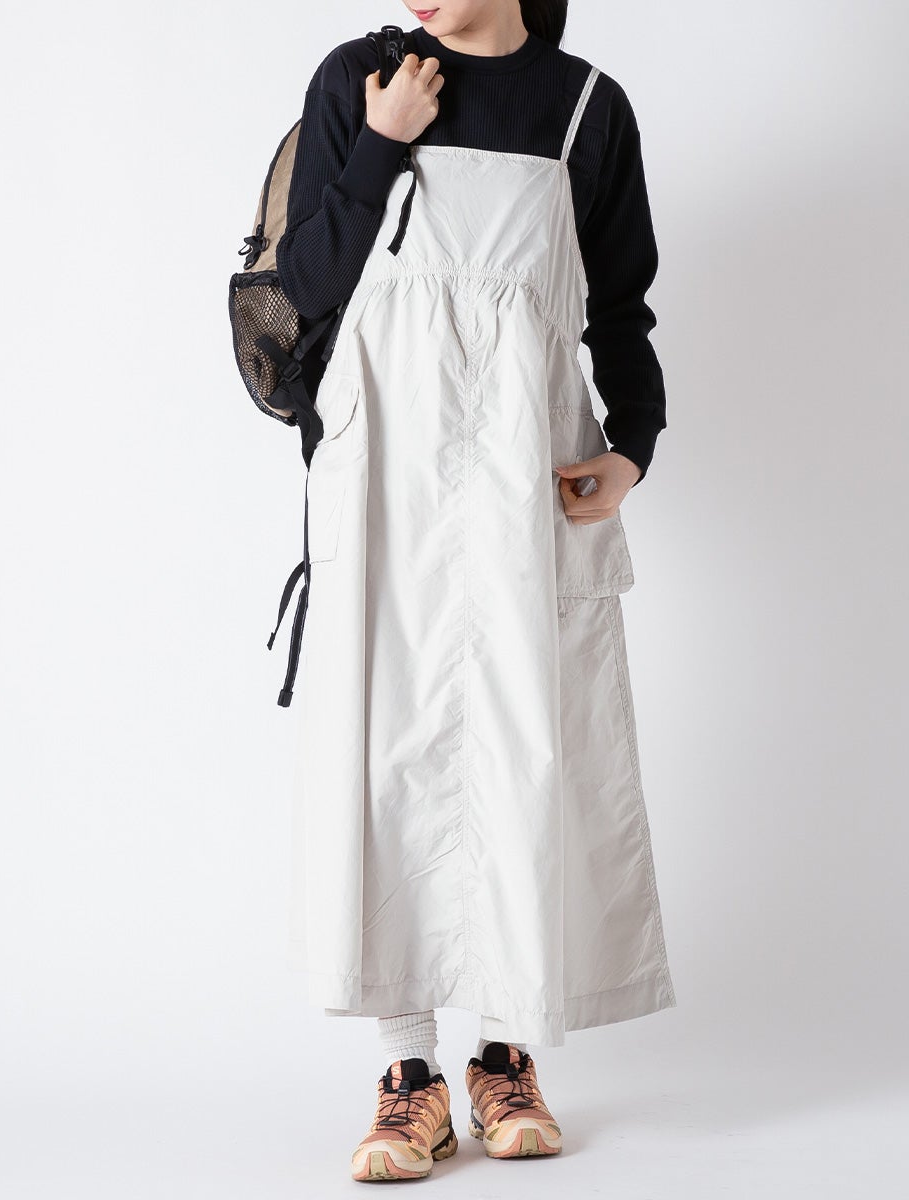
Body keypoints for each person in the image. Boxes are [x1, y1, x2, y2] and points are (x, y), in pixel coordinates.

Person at [274, 0, 676, 1181]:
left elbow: (620, 306)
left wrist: (635, 443)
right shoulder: (360, 78)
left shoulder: (587, 108)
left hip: (524, 473)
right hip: (384, 471)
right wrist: (383, 140)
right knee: (386, 748)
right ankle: (409, 1074)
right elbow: (304, 283)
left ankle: (506, 1057)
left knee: (524, 744)